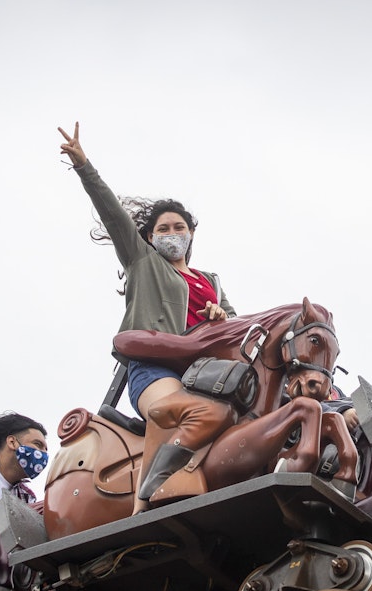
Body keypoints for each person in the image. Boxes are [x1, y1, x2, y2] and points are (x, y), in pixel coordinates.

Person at [58, 122, 237, 511]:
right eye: (163, 229)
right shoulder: (143, 261)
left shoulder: (212, 282)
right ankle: (145, 504)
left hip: (206, 372)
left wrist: (222, 316)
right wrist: (84, 166)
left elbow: (241, 330)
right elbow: (112, 213)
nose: (172, 233)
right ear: (151, 237)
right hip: (156, 368)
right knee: (172, 408)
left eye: (179, 227)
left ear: (191, 234)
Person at [0, 411, 49, 519]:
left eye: (46, 450)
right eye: (38, 444)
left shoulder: (27, 496)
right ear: (12, 442)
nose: (44, 454)